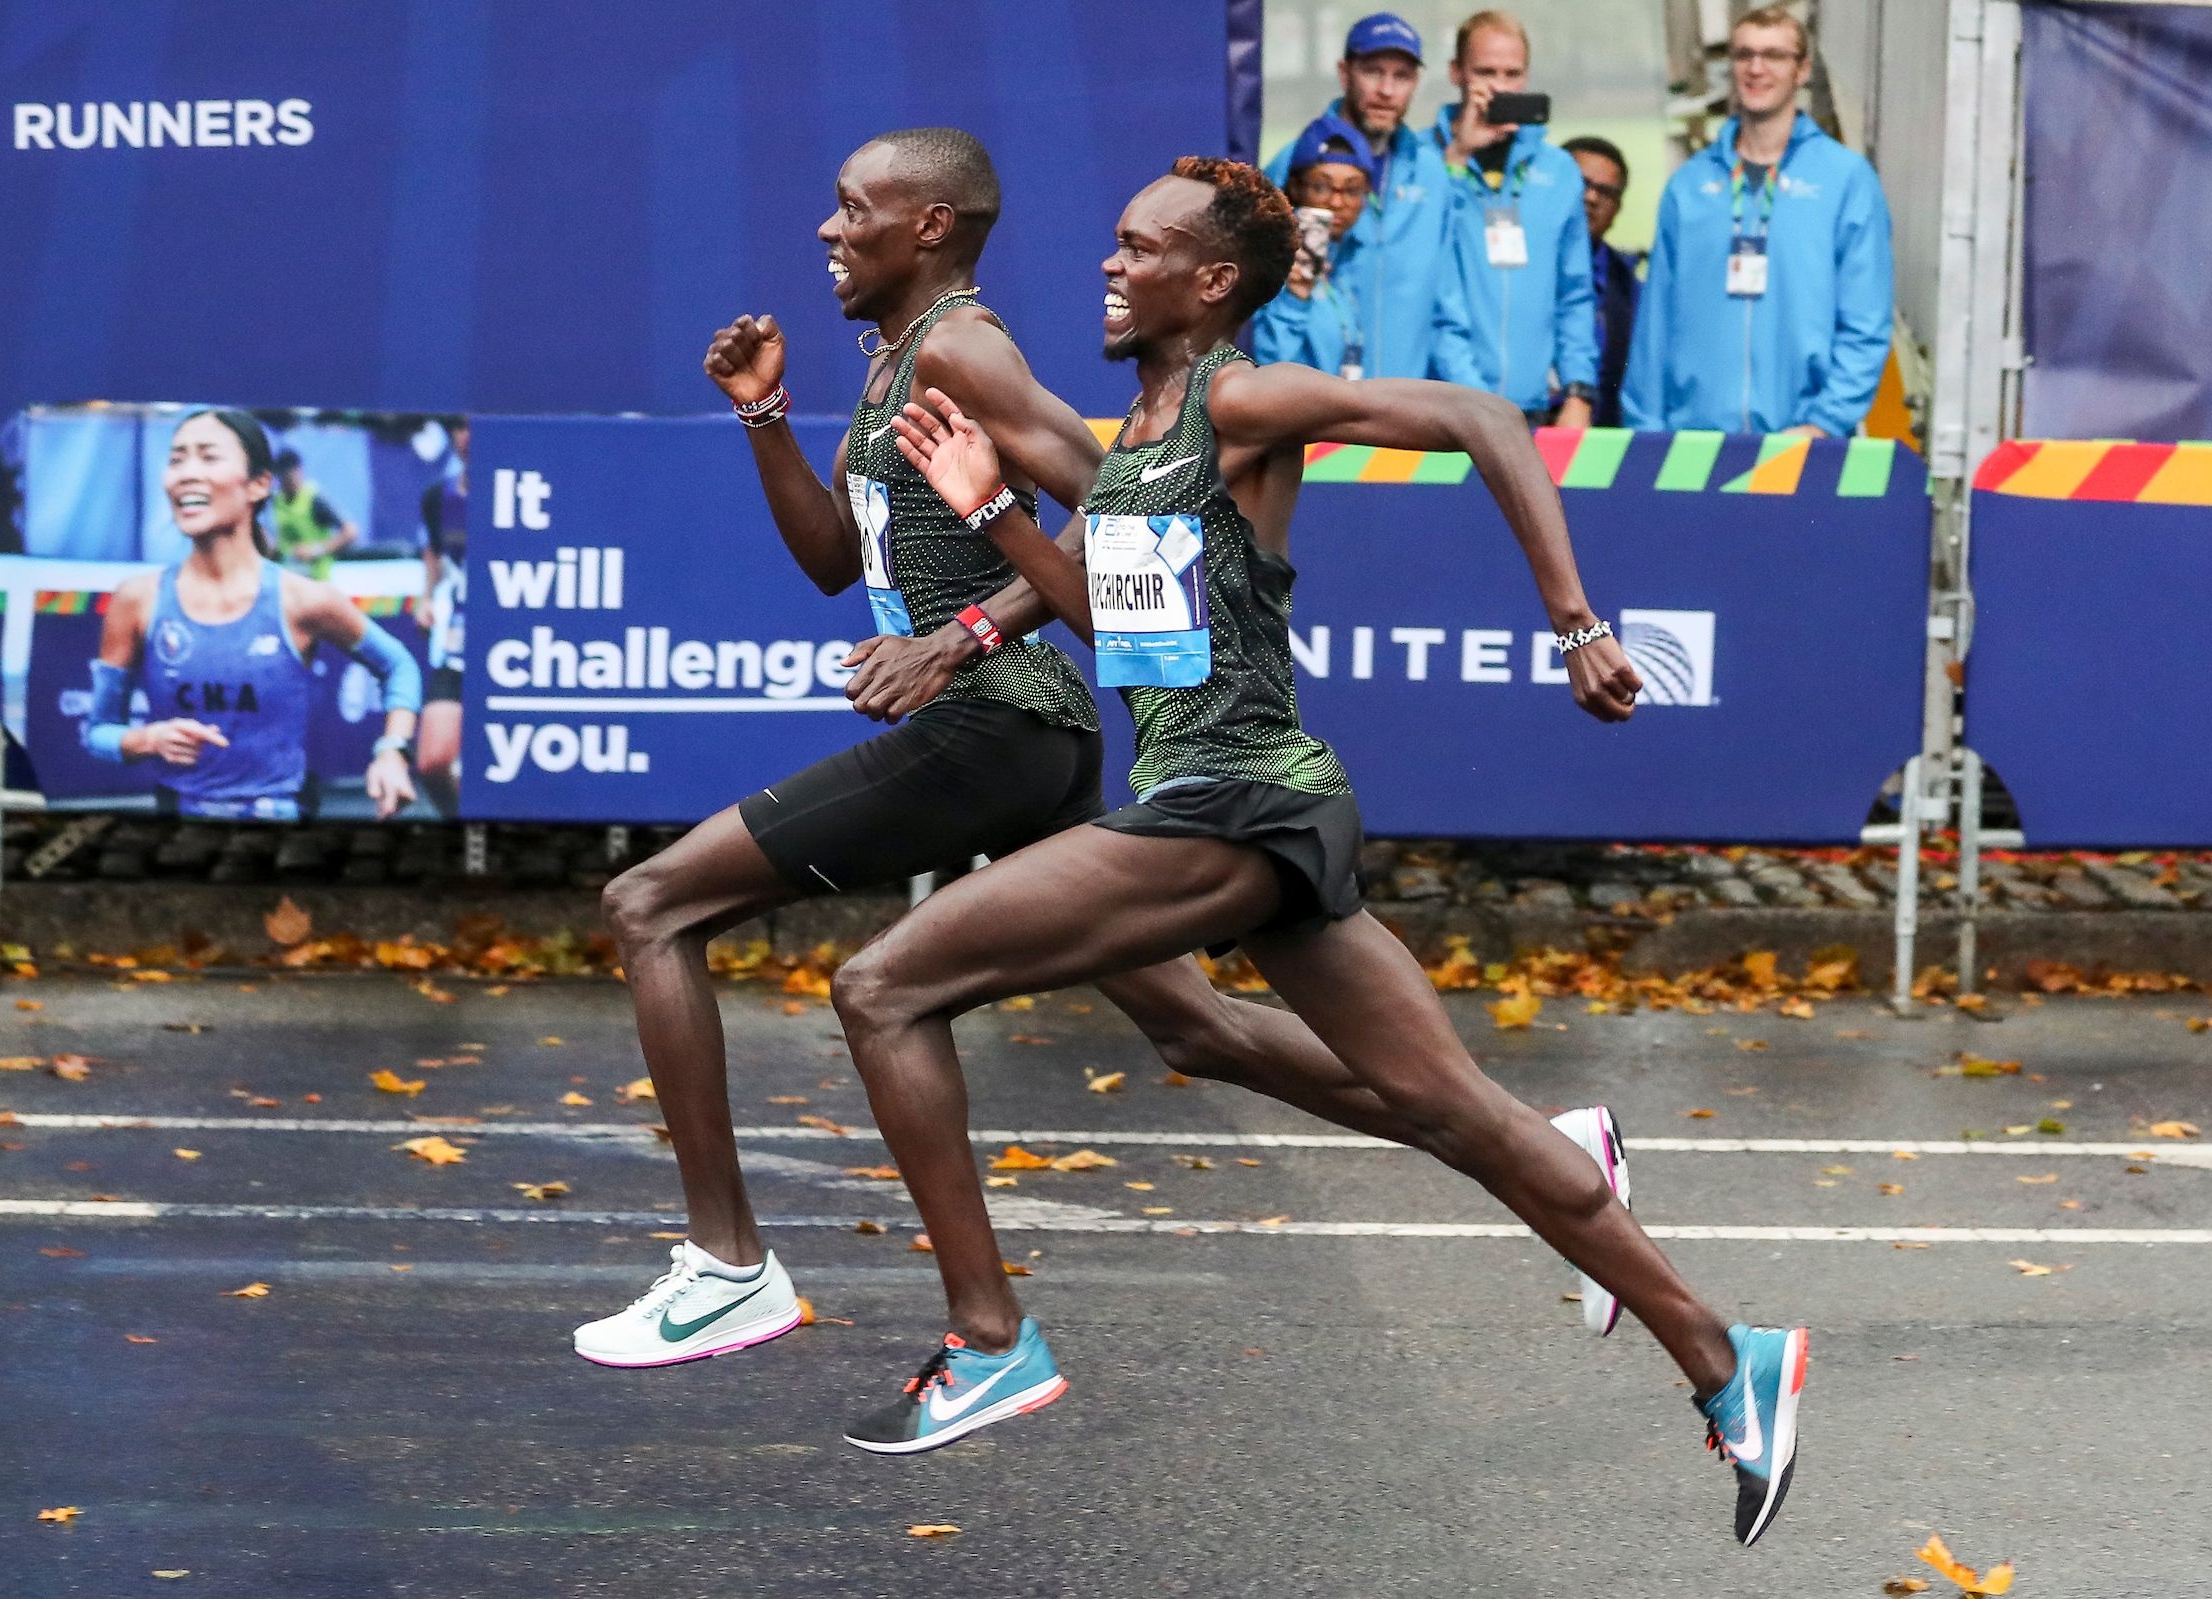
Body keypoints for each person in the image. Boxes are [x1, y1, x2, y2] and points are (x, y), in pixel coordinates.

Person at [848, 157, 1808, 1549]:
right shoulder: (1141, 433)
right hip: (1248, 804)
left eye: (1137, 247)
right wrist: (993, 510)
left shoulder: (1240, 396)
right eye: (1111, 242)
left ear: (1213, 279)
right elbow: (1125, 643)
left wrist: (1576, 619)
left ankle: (988, 1335)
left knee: (885, 986)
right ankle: (1732, 1359)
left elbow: (1481, 413)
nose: (1108, 267)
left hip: (1233, 802)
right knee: (1454, 1114)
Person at [572, 128, 1632, 1374]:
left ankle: (734, 1268)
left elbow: (1122, 517)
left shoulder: (964, 348)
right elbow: (831, 566)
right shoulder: (890, 361)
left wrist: (963, 636)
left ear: (927, 227)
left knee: (652, 904)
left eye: (852, 205)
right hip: (1022, 730)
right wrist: (762, 417)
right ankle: (1556, 1156)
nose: (824, 227)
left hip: (999, 718)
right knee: (1200, 1031)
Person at [82, 409, 420, 822]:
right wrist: (146, 739)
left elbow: (399, 665)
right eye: (176, 459)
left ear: (259, 485)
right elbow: (98, 732)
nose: (187, 472)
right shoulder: (137, 600)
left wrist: (392, 752)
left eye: (208, 457)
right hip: (178, 833)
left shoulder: (304, 600)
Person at [1620, 5, 1893, 436]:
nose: (1756, 68)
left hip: (1804, 442)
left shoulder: (1845, 180)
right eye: (1744, 55)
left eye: (1773, 55)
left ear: (1801, 70)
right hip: (1693, 441)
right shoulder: (1690, 185)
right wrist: (1646, 428)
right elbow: (1656, 324)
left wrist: (1825, 422)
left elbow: (1866, 320)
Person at [1261, 13, 1468, 380]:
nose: (1386, 90)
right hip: (1314, 416)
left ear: (1416, 83)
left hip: (1403, 416)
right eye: (1373, 71)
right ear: (1345, 73)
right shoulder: (1292, 164)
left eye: (1401, 76)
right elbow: (1261, 306)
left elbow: (1447, 308)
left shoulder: (1431, 173)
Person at [1428, 10, 1598, 426]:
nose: (1499, 87)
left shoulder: (1557, 171)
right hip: (1440, 404)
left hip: (1533, 410)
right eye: (1485, 72)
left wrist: (1578, 390)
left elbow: (1574, 292)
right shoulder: (1422, 160)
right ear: (1456, 73)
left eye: (1512, 73)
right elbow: (1421, 272)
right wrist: (1458, 157)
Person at [1251, 114, 1378, 376]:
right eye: (1322, 186)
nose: (1337, 202)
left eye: (1352, 190)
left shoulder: (1346, 261)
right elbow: (1270, 367)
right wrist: (1294, 298)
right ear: (1295, 187)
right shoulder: (1271, 260)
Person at [412, 417, 469, 814]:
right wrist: (425, 597)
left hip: (527, 649)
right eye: (461, 426)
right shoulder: (438, 497)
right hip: (458, 643)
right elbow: (434, 552)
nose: (468, 435)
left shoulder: (539, 487)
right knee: (433, 762)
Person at [1564, 135, 1639, 428]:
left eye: (1605, 192)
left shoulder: (1628, 286)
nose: (1591, 198)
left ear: (1618, 209)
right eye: (1581, 184)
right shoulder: (1514, 269)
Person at [269, 448, 358, 579]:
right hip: (290, 578)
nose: (288, 482)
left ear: (300, 471)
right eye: (283, 478)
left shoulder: (314, 499)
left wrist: (315, 550)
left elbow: (351, 531)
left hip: (317, 578)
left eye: (291, 476)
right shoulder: (277, 501)